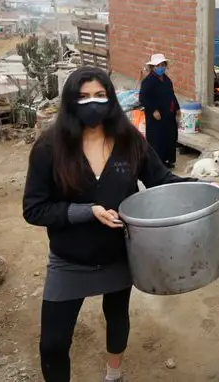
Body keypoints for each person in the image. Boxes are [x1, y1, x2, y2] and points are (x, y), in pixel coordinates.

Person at [22, 66, 195, 382]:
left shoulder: (129, 140)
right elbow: (34, 209)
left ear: (111, 99)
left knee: (117, 317)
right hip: (69, 261)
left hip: (119, 254)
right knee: (53, 343)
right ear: (71, 102)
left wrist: (201, 189)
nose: (92, 103)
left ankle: (114, 375)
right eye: (83, 97)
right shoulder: (50, 147)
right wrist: (86, 211)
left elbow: (162, 180)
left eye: (100, 96)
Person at [139, 53, 180, 169]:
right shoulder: (148, 81)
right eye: (158, 66)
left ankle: (167, 160)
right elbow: (143, 98)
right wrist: (153, 110)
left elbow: (171, 95)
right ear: (152, 68)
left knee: (170, 137)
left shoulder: (167, 80)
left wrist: (177, 108)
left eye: (162, 65)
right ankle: (157, 163)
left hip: (168, 114)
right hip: (156, 116)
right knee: (157, 139)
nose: (160, 68)